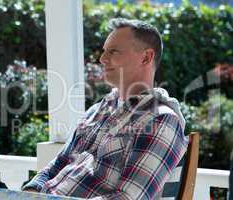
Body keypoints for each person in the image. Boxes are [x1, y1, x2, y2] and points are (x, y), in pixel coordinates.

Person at [22, 18, 189, 200]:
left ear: (146, 57)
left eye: (114, 51)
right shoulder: (98, 110)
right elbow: (58, 164)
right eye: (104, 51)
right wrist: (29, 193)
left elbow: (127, 198)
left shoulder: (160, 119)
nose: (102, 59)